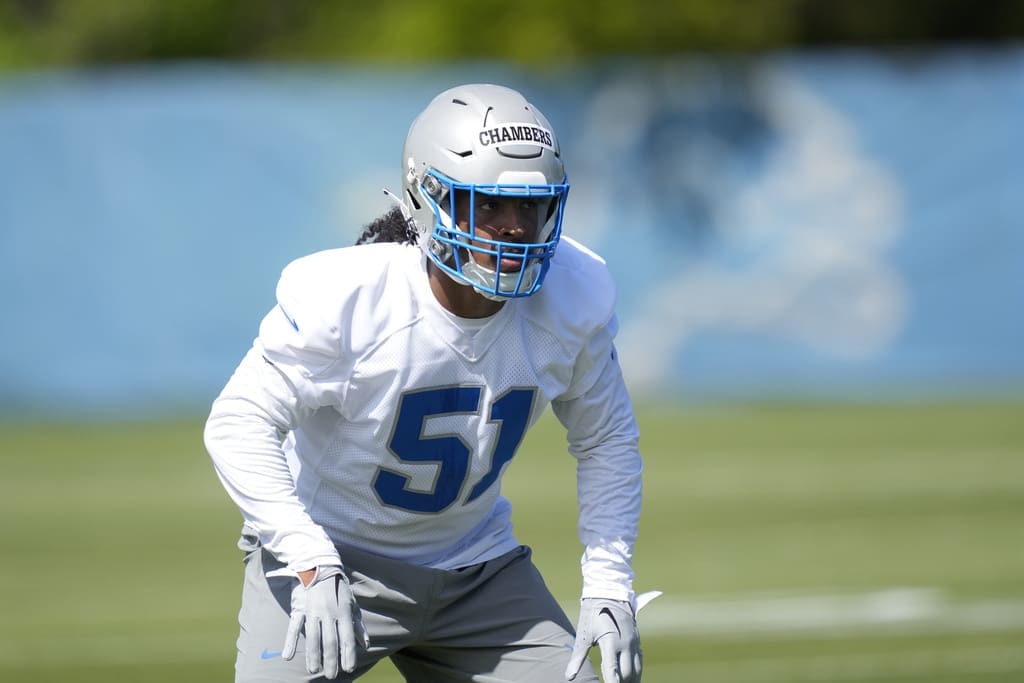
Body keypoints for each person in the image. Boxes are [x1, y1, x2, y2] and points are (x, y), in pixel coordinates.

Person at [204, 82, 649, 683]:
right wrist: (308, 558)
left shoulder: (574, 293)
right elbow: (238, 423)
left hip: (478, 570)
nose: (515, 228)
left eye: (530, 206)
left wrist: (609, 584)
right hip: (334, 562)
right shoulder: (352, 299)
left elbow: (606, 439)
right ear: (428, 200)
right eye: (488, 204)